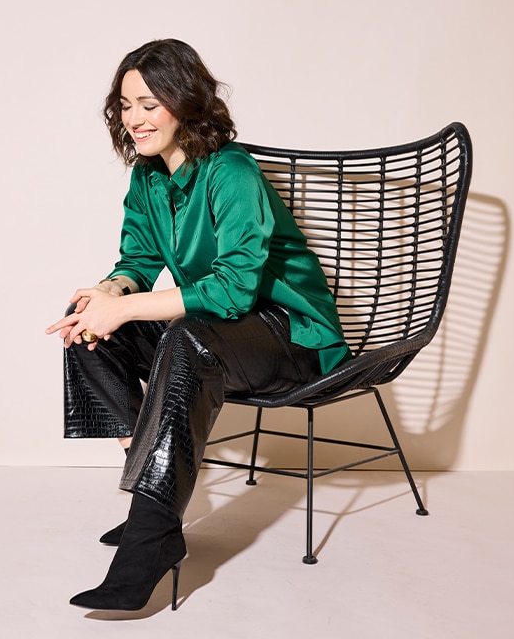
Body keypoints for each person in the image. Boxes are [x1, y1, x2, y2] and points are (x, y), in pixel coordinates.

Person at [45, 38, 350, 612]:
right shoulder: (148, 179)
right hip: (215, 332)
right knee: (86, 327)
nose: (133, 118)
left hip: (291, 335)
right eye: (125, 105)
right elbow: (136, 262)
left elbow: (236, 288)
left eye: (149, 104)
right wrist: (108, 294)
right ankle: (153, 506)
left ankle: (148, 534)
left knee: (188, 336)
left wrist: (129, 307)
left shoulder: (231, 172)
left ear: (185, 101)